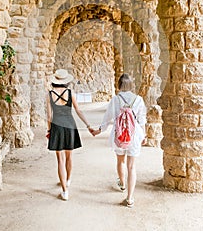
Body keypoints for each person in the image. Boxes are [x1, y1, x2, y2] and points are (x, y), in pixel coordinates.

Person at [92, 73, 147, 208]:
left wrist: (99, 130)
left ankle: (122, 184)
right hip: (134, 136)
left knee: (120, 161)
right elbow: (141, 120)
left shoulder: (115, 99)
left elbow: (107, 118)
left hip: (119, 136)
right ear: (131, 85)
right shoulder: (139, 99)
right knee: (132, 166)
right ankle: (130, 198)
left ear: (119, 84)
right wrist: (144, 135)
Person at [46, 69, 93, 201]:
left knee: (60, 160)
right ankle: (67, 180)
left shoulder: (49, 94)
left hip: (57, 126)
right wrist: (88, 125)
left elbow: (49, 116)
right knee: (69, 157)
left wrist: (49, 131)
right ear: (66, 81)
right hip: (70, 125)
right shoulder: (70, 93)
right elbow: (78, 110)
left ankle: (65, 191)